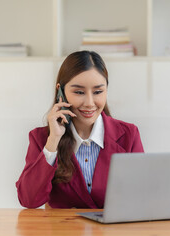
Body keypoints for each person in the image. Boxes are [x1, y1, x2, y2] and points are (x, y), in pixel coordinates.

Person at [16, 51, 144, 208]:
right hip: (64, 232)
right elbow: (29, 200)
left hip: (111, 232)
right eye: (79, 92)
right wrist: (53, 142)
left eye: (98, 92)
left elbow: (140, 197)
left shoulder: (129, 135)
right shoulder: (42, 138)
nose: (89, 103)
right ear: (60, 92)